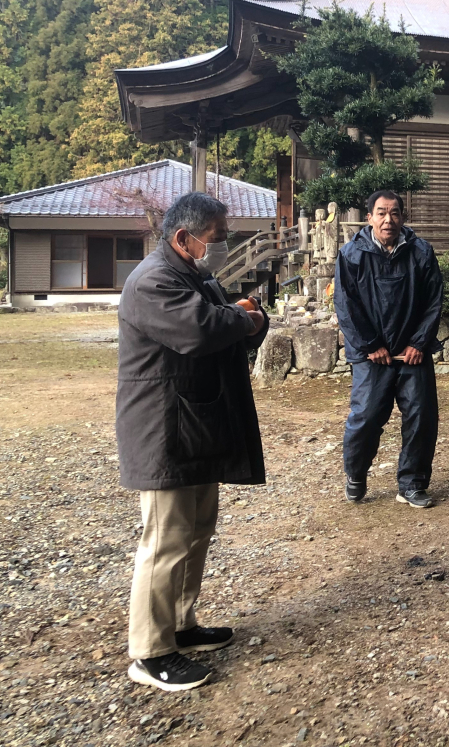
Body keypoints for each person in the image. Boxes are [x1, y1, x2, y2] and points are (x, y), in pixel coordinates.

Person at [116, 192, 269, 692]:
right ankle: (150, 651)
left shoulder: (193, 274)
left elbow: (225, 321)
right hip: (162, 427)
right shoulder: (153, 280)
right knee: (164, 539)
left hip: (193, 422)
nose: (221, 247)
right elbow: (201, 329)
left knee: (197, 527)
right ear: (184, 239)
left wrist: (243, 316)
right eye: (217, 239)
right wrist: (244, 317)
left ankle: (181, 624)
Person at [334, 190, 443, 507]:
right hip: (372, 355)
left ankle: (412, 484)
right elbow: (346, 305)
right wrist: (371, 345)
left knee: (422, 416)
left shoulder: (421, 252)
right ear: (369, 218)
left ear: (403, 217)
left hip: (412, 353)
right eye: (381, 213)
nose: (388, 220)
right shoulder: (352, 254)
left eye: (394, 213)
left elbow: (433, 301)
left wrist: (419, 342)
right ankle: (356, 474)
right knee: (366, 417)